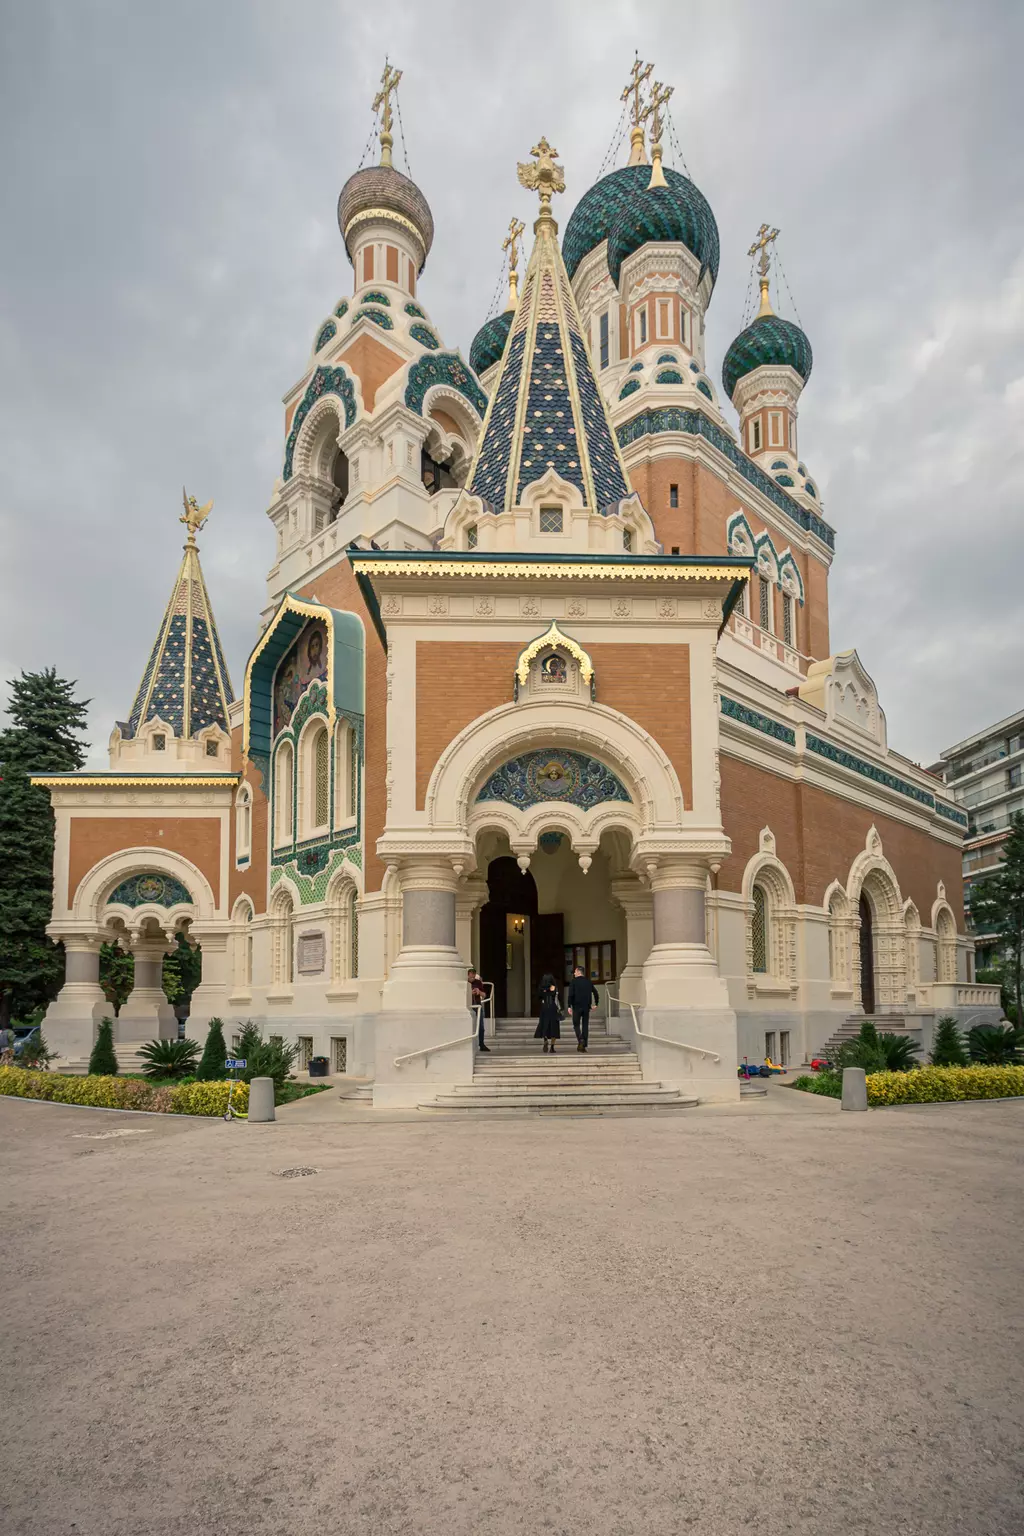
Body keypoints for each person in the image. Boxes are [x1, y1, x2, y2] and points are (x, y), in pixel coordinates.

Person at [567, 966, 600, 1052]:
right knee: (585, 1026)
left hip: (576, 1006)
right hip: (586, 1007)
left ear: (578, 972)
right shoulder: (588, 982)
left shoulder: (573, 982)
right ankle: (583, 1045)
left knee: (576, 1024)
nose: (574, 973)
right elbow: (595, 992)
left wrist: (569, 1006)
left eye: (575, 972)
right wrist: (596, 1003)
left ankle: (581, 1039)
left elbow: (570, 995)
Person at [533, 972, 562, 1054]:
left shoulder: (541, 988)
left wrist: (544, 992)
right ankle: (552, 1047)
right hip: (553, 1007)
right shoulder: (554, 987)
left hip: (544, 1007)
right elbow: (558, 997)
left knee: (544, 1025)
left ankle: (545, 1039)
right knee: (554, 1027)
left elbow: (538, 997)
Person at [468, 969, 489, 1052]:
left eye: (474, 975)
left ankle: (481, 1043)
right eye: (471, 975)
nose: (472, 977)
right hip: (469, 1006)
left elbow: (484, 995)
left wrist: (479, 992)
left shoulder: (478, 982)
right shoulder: (465, 983)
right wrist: (470, 993)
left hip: (478, 1005)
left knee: (481, 1026)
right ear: (468, 975)